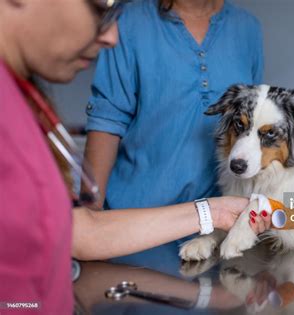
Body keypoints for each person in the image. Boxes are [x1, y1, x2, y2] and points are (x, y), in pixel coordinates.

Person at [0, 0, 269, 313]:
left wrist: (214, 211)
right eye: (100, 10)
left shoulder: (18, 104)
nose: (112, 36)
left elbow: (80, 232)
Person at [84, 0, 264, 267]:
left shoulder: (248, 28)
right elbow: (107, 120)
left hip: (218, 230)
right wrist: (91, 220)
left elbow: (253, 123)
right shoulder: (128, 20)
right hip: (135, 227)